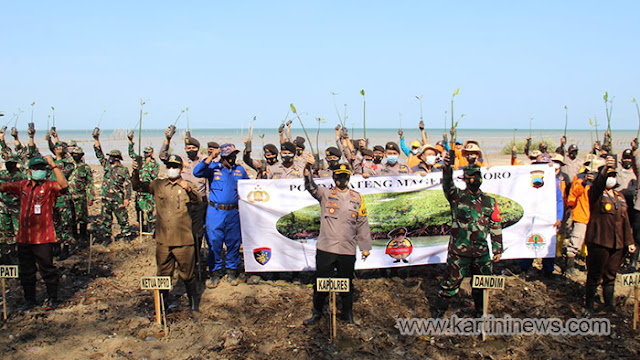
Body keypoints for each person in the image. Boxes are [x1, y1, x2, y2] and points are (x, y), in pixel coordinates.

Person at [433, 152, 502, 318]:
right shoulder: (456, 197)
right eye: (471, 176)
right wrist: (448, 168)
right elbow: (447, 183)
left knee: (482, 286)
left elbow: (495, 225)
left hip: (481, 253)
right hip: (459, 252)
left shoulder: (489, 201)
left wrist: (498, 248)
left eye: (477, 176)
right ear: (464, 179)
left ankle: (481, 316)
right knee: (449, 285)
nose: (475, 179)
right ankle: (437, 316)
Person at [302, 159, 371, 325]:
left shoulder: (357, 197)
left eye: (345, 176)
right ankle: (317, 313)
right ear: (334, 177)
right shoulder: (325, 194)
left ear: (349, 177)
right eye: (339, 176)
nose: (342, 179)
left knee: (346, 284)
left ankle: (347, 315)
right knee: (321, 283)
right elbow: (311, 186)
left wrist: (365, 247)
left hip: (347, 249)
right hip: (327, 248)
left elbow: (362, 222)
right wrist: (307, 169)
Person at [132, 154, 202, 312]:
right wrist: (135, 172)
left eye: (175, 166)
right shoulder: (158, 185)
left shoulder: (187, 184)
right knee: (163, 274)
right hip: (164, 240)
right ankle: (162, 305)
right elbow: (137, 187)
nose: (171, 169)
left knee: (187, 274)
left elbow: (198, 201)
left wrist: (189, 189)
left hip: (183, 240)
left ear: (181, 169)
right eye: (169, 166)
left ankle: (193, 304)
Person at [0, 155, 67, 310]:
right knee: (26, 271)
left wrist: (53, 165)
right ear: (30, 171)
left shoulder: (49, 186)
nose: (40, 171)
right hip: (24, 237)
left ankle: (52, 299)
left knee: (47, 269)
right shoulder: (22, 185)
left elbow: (63, 185)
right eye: (36, 168)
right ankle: (30, 300)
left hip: (43, 237)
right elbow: (3, 187)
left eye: (42, 168)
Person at [584, 155, 636, 315]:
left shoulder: (619, 197)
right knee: (595, 274)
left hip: (617, 243)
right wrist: (605, 168)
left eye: (613, 176)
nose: (611, 178)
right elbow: (598, 184)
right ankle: (589, 305)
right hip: (599, 241)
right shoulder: (596, 194)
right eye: (609, 176)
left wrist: (630, 242)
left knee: (611, 275)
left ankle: (609, 305)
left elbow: (625, 220)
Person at [194, 143, 248, 288]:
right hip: (215, 212)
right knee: (214, 243)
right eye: (229, 156)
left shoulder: (240, 170)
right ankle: (215, 273)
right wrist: (211, 156)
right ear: (223, 157)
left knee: (233, 242)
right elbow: (197, 172)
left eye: (234, 156)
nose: (232, 159)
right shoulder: (213, 168)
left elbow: (249, 188)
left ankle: (231, 272)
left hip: (233, 212)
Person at [160, 130, 209, 279]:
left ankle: (195, 263)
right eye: (188, 149)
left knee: (197, 235)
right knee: (183, 234)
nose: (190, 151)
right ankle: (185, 263)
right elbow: (163, 156)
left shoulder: (204, 161)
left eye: (193, 148)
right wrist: (167, 139)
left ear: (198, 148)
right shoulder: (181, 160)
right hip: (183, 203)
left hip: (200, 203)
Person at [565, 157, 604, 275]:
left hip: (596, 216)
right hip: (581, 214)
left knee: (594, 243)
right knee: (575, 242)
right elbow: (574, 193)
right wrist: (584, 182)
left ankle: (591, 268)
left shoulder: (601, 179)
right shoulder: (580, 177)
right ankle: (568, 268)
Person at [93, 131, 133, 240]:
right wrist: (96, 139)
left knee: (123, 219)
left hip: (118, 199)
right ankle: (107, 237)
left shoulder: (123, 170)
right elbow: (99, 154)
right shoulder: (107, 166)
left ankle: (126, 236)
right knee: (106, 220)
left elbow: (128, 185)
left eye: (111, 156)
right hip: (106, 198)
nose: (109, 158)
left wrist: (127, 198)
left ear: (117, 158)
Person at [128, 133, 159, 233]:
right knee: (139, 208)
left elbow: (154, 176)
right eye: (145, 152)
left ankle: (150, 227)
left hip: (149, 189)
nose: (146, 154)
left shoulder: (155, 164)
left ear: (152, 153)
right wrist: (130, 142)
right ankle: (141, 227)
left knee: (150, 209)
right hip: (139, 189)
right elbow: (131, 154)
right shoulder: (140, 160)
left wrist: (148, 170)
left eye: (148, 152)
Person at [67, 147, 95, 244]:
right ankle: (74, 236)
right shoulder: (68, 166)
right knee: (71, 217)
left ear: (82, 155)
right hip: (69, 196)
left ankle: (83, 236)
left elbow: (90, 183)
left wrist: (91, 197)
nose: (75, 155)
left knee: (82, 217)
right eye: (73, 154)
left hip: (80, 196)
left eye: (77, 154)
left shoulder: (85, 168)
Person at [0, 155, 24, 263]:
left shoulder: (21, 175)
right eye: (7, 163)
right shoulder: (3, 175)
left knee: (18, 230)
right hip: (4, 207)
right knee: (7, 229)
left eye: (11, 163)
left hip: (17, 207)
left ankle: (21, 251)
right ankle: (11, 250)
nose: (9, 165)